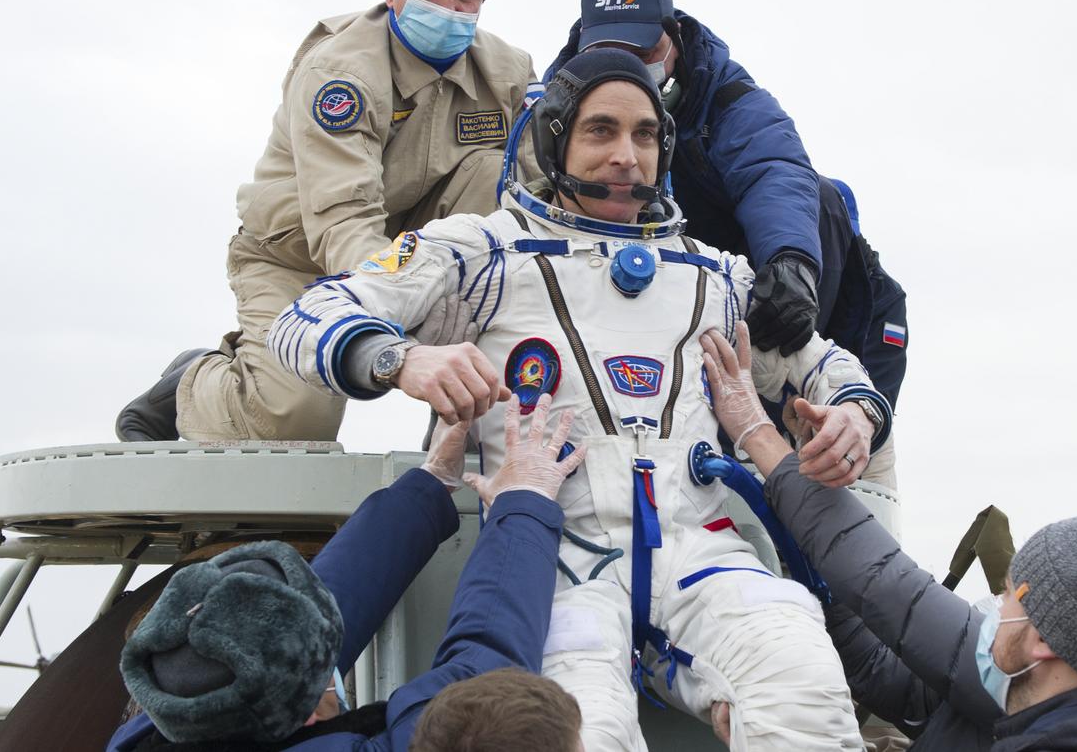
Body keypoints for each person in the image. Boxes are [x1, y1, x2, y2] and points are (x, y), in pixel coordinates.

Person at [268, 48, 898, 750]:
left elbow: (826, 362)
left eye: (645, 135)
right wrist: (400, 358)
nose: (626, 155)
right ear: (555, 137)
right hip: (558, 564)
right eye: (601, 131)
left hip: (699, 553)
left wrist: (853, 412)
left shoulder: (714, 277)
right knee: (574, 730)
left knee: (803, 679)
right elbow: (306, 318)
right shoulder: (486, 256)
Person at [700, 324, 1077, 752]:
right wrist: (817, 587)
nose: (996, 604)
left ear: (1044, 642)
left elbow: (893, 586)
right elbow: (892, 625)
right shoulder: (1054, 689)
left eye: (1012, 593)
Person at [114, 0, 538, 444]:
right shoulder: (339, 73)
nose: (448, 5)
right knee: (296, 421)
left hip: (420, 247)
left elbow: (536, 194)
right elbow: (344, 221)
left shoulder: (509, 71)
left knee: (494, 176)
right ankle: (195, 384)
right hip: (297, 255)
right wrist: (390, 346)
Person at [107, 395, 587, 751]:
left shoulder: (168, 718)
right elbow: (485, 674)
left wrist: (429, 485)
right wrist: (525, 502)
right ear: (309, 711)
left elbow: (307, 624)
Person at [546, 0, 909, 412]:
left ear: (673, 38)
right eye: (608, 52)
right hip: (652, 283)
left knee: (819, 198)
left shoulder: (729, 95)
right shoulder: (550, 105)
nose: (628, 70)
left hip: (823, 304)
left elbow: (773, 168)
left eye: (641, 53)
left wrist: (790, 261)